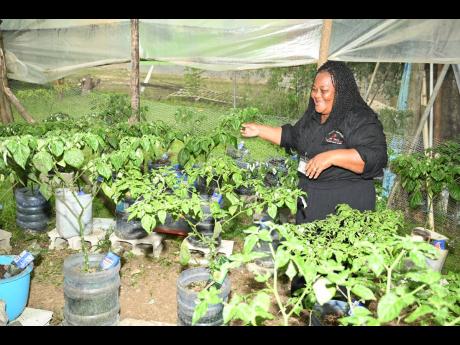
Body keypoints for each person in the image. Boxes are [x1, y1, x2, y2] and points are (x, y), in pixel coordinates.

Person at [241, 60, 388, 224]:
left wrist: (330, 157)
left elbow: (375, 157)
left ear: (341, 92)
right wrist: (259, 130)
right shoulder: (315, 116)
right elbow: (292, 136)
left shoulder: (359, 118)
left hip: (343, 206)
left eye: (324, 91)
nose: (316, 95)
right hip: (311, 201)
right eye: (314, 90)